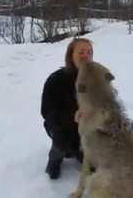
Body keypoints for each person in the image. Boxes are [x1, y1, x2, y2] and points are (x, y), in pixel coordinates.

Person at [40, 38, 93, 179]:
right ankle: (56, 156)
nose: (86, 56)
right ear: (71, 55)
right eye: (81, 52)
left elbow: (111, 105)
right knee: (61, 140)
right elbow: (46, 111)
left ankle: (78, 150)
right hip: (61, 126)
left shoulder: (94, 79)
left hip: (85, 129)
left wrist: (130, 128)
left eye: (89, 52)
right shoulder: (56, 79)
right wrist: (70, 118)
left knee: (94, 167)